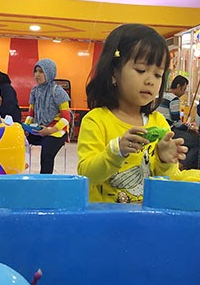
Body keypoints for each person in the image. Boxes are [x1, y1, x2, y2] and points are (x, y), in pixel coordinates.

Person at [77, 23, 187, 203]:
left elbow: (168, 182)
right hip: (104, 217)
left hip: (147, 217)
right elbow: (86, 175)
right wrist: (116, 151)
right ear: (114, 72)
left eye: (158, 75)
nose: (150, 81)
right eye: (141, 70)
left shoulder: (159, 122)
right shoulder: (96, 120)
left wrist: (165, 161)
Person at [24, 58, 71, 174]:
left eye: (41, 71)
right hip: (39, 129)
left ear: (49, 73)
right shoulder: (34, 91)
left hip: (57, 131)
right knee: (18, 140)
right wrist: (25, 127)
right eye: (35, 71)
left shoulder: (58, 92)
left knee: (46, 155)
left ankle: (44, 181)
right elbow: (31, 114)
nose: (37, 75)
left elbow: (66, 118)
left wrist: (50, 130)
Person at [157, 75, 199, 170]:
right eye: (184, 89)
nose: (184, 93)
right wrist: (190, 129)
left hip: (160, 129)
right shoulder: (174, 99)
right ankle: (182, 165)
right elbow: (176, 122)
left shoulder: (161, 95)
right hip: (169, 131)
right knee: (196, 142)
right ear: (178, 86)